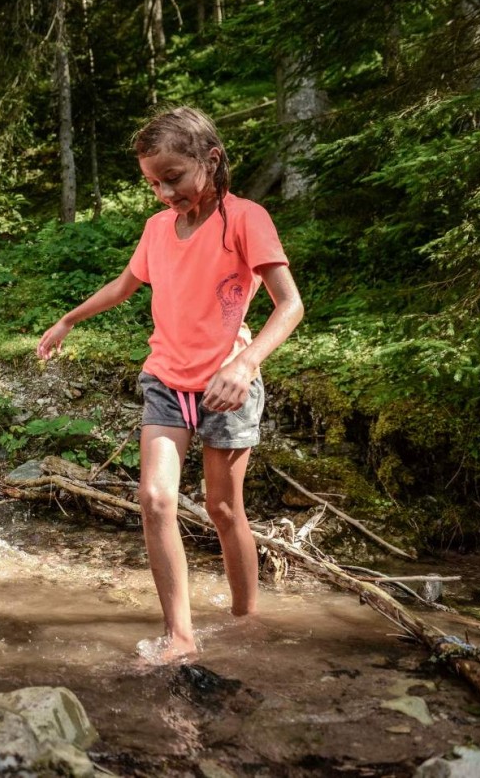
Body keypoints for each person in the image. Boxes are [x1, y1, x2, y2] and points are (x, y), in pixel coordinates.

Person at [37, 107, 304, 661]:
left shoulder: (246, 218)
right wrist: (67, 320)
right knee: (155, 499)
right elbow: (123, 285)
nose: (163, 192)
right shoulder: (158, 229)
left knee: (223, 509)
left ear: (211, 159)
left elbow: (291, 305)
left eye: (173, 177)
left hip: (226, 384)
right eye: (152, 183)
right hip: (165, 379)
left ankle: (246, 618)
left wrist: (246, 364)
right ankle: (180, 635)